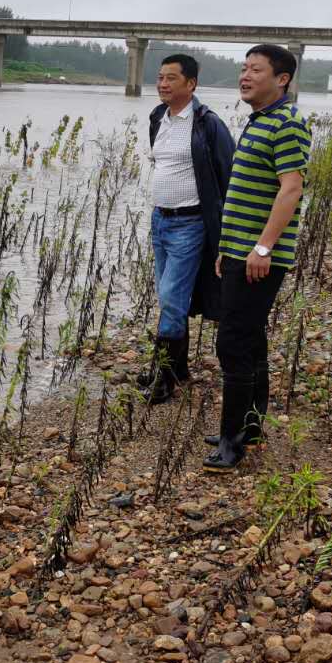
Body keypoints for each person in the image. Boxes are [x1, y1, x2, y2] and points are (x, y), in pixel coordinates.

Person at [204, 44, 311, 472]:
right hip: (241, 252)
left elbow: (291, 188)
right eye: (243, 68)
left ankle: (231, 441)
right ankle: (249, 425)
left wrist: (263, 247)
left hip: (260, 256)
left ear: (281, 79)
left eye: (255, 70)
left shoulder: (287, 123)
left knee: (232, 341)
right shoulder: (260, 121)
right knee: (251, 338)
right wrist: (227, 249)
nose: (245, 76)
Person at [139, 53, 234, 404]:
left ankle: (164, 379)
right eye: (160, 78)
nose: (163, 84)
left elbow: (227, 174)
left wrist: (225, 230)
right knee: (168, 295)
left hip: (190, 223)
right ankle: (177, 370)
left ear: (191, 84)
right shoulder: (157, 118)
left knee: (171, 299)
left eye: (171, 78)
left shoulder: (208, 124)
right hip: (159, 220)